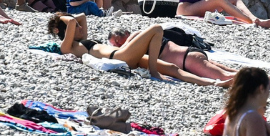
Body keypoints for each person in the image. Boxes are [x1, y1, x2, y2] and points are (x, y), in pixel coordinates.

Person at [47, 13, 228, 85]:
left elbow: (82, 17)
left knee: (173, 70)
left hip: (124, 57)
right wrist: (61, 19)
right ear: (61, 31)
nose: (79, 27)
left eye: (78, 26)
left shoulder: (82, 40)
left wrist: (70, 19)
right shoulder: (68, 46)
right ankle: (155, 73)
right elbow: (71, 21)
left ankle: (215, 83)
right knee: (156, 28)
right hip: (120, 56)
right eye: (75, 27)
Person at [106, 28, 270, 92]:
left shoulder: (135, 38)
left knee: (226, 78)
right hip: (190, 54)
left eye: (114, 43)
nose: (116, 47)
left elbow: (124, 54)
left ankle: (268, 80)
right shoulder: (144, 34)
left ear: (119, 38)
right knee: (231, 72)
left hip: (187, 59)